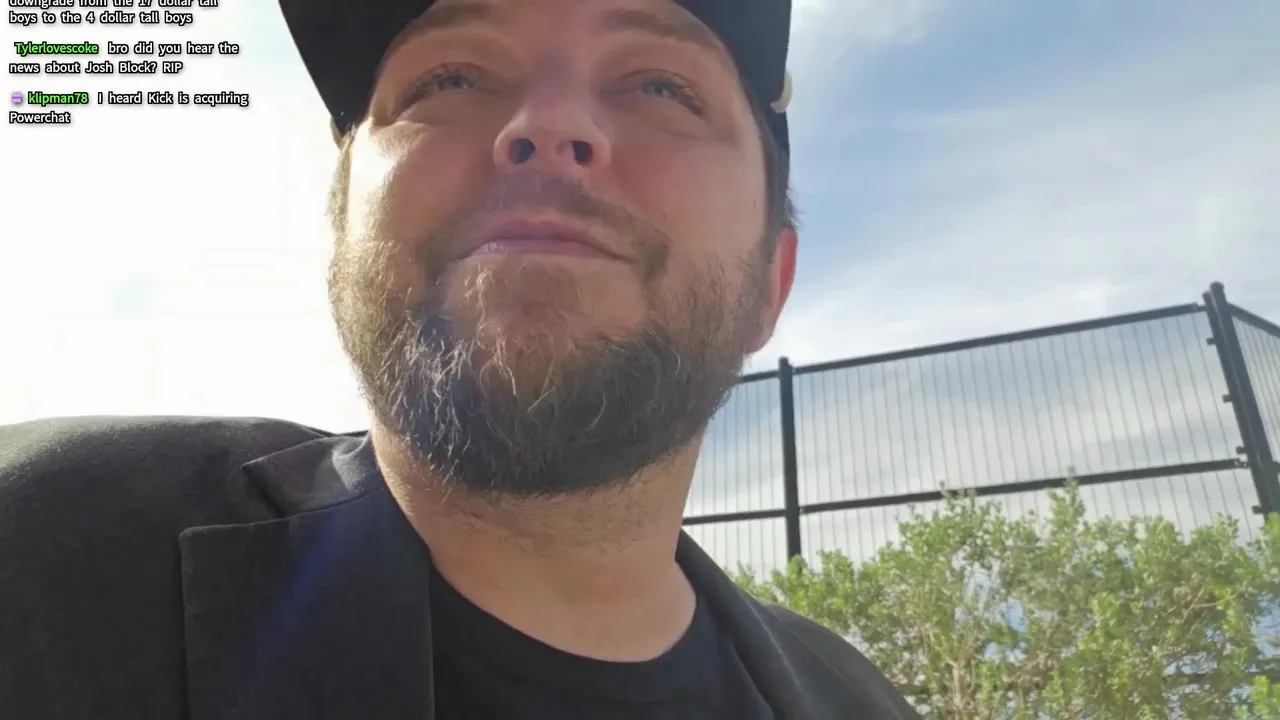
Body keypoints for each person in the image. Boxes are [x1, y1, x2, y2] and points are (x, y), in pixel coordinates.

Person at [0, 0, 921, 718]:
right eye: (449, 77)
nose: (548, 123)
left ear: (769, 284)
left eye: (660, 87)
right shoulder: (37, 554)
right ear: (343, 240)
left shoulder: (861, 703)